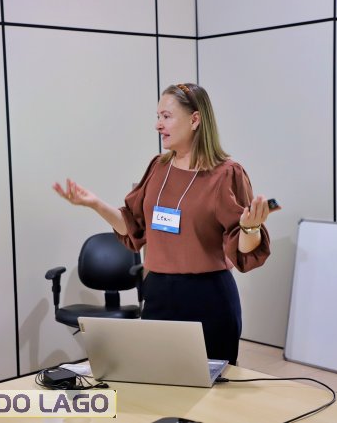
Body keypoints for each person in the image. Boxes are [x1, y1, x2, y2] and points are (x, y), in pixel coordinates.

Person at [53, 83, 278, 365]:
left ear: (195, 120)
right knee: (157, 379)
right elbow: (133, 227)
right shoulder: (158, 167)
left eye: (166, 116)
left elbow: (243, 249)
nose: (158, 125)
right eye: (158, 116)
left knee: (212, 385)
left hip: (208, 297)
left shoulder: (226, 174)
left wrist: (250, 228)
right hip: (158, 293)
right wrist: (95, 204)